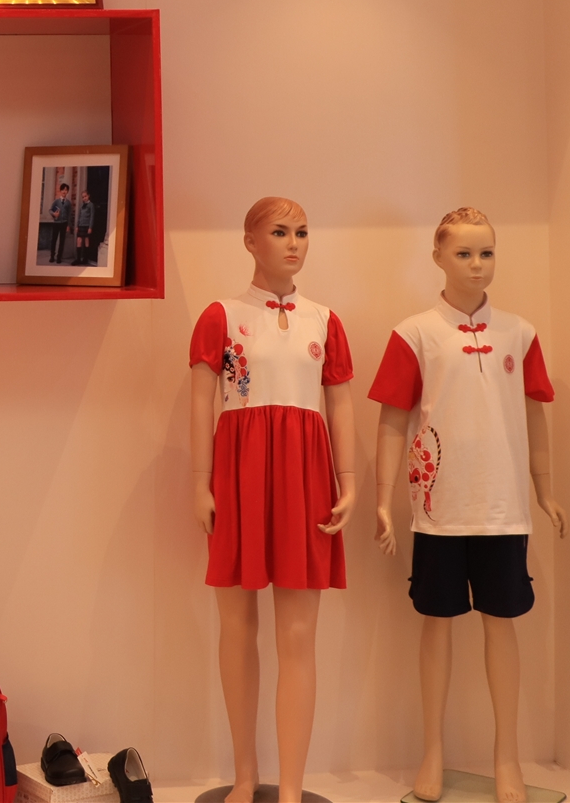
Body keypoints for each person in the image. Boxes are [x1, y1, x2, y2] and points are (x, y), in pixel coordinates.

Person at [371, 207, 564, 803]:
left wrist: (544, 488)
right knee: (437, 624)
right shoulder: (415, 333)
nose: (477, 265)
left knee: (501, 625)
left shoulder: (520, 333)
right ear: (437, 257)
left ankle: (507, 758)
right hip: (439, 510)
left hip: (503, 507)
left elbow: (534, 413)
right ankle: (432, 750)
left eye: (487, 253)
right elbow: (392, 419)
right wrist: (382, 500)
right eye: (463, 254)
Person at [188, 197, 357, 803]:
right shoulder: (221, 316)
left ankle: (290, 788)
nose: (293, 243)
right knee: (237, 628)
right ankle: (243, 775)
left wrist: (348, 480)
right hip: (239, 473)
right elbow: (201, 402)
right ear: (249, 241)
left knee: (298, 635)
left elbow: (340, 403)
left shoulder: (324, 320)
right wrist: (201, 481)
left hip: (306, 477)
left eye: (302, 232)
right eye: (280, 232)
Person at [49, 183, 74, 264]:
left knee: (62, 241)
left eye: (66, 190)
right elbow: (50, 210)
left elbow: (69, 214)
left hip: (64, 223)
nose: (64, 191)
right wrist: (54, 214)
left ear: (67, 192)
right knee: (54, 240)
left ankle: (59, 257)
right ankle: (52, 256)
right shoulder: (56, 201)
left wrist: (68, 225)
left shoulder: (68, 203)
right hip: (56, 223)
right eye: (63, 189)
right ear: (60, 191)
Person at [73, 189, 96, 266]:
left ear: (88, 196)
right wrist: (77, 226)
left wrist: (90, 227)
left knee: (86, 241)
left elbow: (92, 217)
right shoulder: (82, 205)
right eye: (83, 197)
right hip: (81, 226)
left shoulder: (91, 205)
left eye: (85, 196)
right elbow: (79, 216)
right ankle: (78, 259)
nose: (84, 198)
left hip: (87, 226)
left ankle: (85, 259)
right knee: (79, 241)